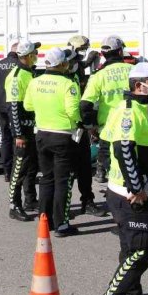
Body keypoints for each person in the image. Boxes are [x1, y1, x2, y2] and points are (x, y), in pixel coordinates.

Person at [93, 62, 148, 295]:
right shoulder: (128, 112)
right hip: (129, 195)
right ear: (138, 85)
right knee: (139, 253)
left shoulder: (136, 109)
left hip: (123, 193)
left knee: (129, 251)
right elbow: (124, 150)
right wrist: (137, 188)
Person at [24, 47, 81, 238]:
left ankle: (44, 220)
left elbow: (28, 105)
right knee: (62, 180)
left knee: (47, 178)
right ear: (62, 64)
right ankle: (61, 224)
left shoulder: (35, 82)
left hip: (41, 134)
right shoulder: (68, 84)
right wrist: (78, 123)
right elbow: (73, 111)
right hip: (63, 136)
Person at [81, 36, 133, 183]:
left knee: (105, 152)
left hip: (108, 126)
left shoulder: (98, 75)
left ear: (103, 54)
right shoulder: (133, 70)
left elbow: (85, 104)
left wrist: (90, 125)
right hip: (132, 123)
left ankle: (102, 173)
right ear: (120, 52)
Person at [65, 40, 108, 219]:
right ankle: (64, 209)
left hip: (79, 129)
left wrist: (88, 126)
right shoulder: (62, 80)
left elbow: (83, 63)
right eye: (77, 58)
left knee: (83, 168)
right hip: (65, 131)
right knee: (66, 172)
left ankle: (87, 201)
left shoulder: (76, 71)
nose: (79, 62)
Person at [4, 40, 40, 221]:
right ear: (26, 56)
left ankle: (30, 200)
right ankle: (14, 205)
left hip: (32, 127)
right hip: (22, 131)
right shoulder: (17, 76)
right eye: (34, 53)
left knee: (32, 167)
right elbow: (14, 108)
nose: (37, 55)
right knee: (19, 169)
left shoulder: (30, 72)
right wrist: (18, 134)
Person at [0, 42, 21, 180]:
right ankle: (16, 172)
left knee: (5, 138)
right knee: (17, 139)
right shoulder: (20, 67)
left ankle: (7, 172)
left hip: (1, 106)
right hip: (15, 107)